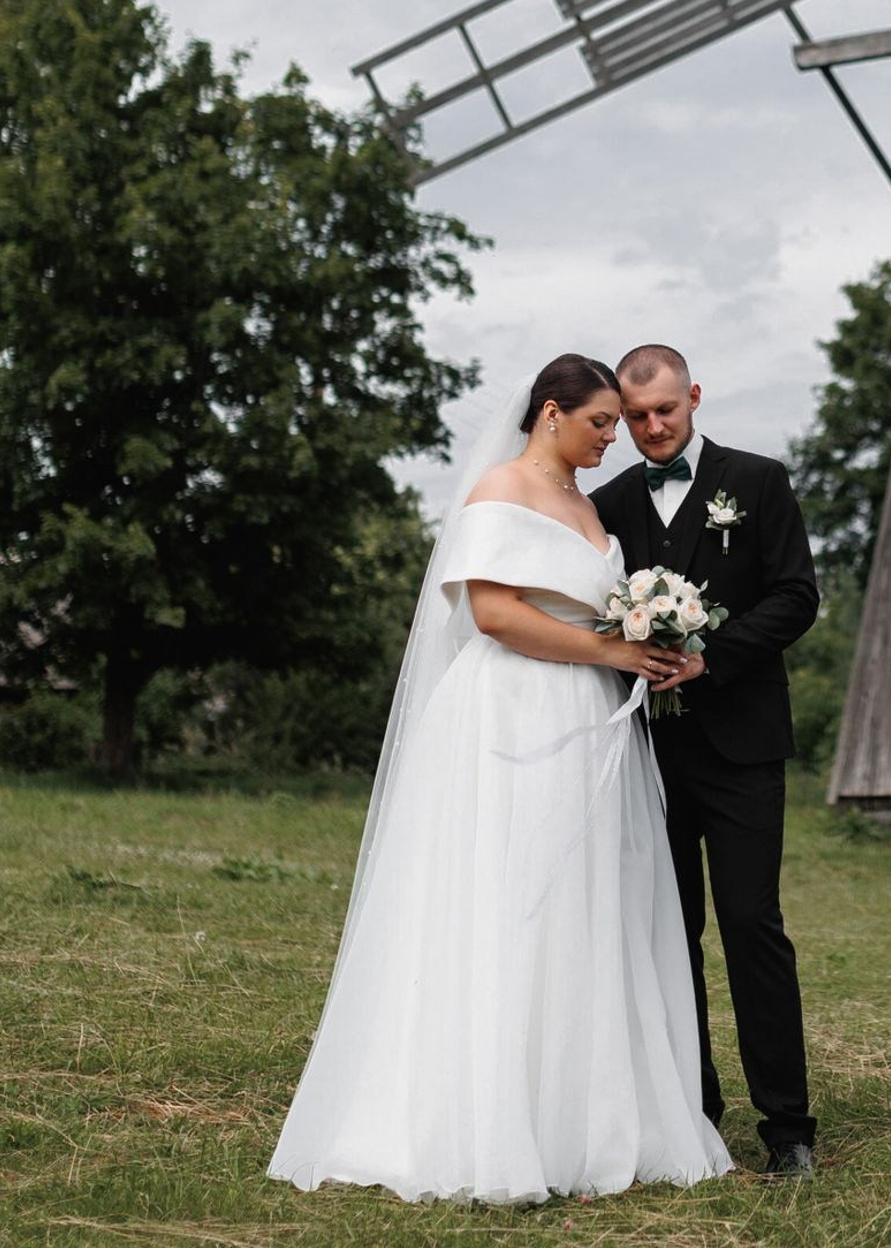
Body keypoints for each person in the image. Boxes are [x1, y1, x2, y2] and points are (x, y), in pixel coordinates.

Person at [267, 354, 734, 1205]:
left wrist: (645, 640)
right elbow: (494, 613)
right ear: (552, 412)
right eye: (600, 422)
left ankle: (580, 1114)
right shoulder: (499, 490)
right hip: (513, 711)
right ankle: (487, 1118)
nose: (614, 437)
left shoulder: (589, 506)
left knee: (584, 898)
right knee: (509, 892)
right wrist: (610, 650)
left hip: (588, 719)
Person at [594, 344, 820, 1180]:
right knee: (668, 931)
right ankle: (691, 1112)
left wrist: (709, 656)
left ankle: (788, 1129)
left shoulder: (757, 481)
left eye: (666, 410)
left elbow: (796, 596)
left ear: (693, 396)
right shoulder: (608, 503)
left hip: (743, 747)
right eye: (636, 417)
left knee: (751, 925)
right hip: (647, 752)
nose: (653, 427)